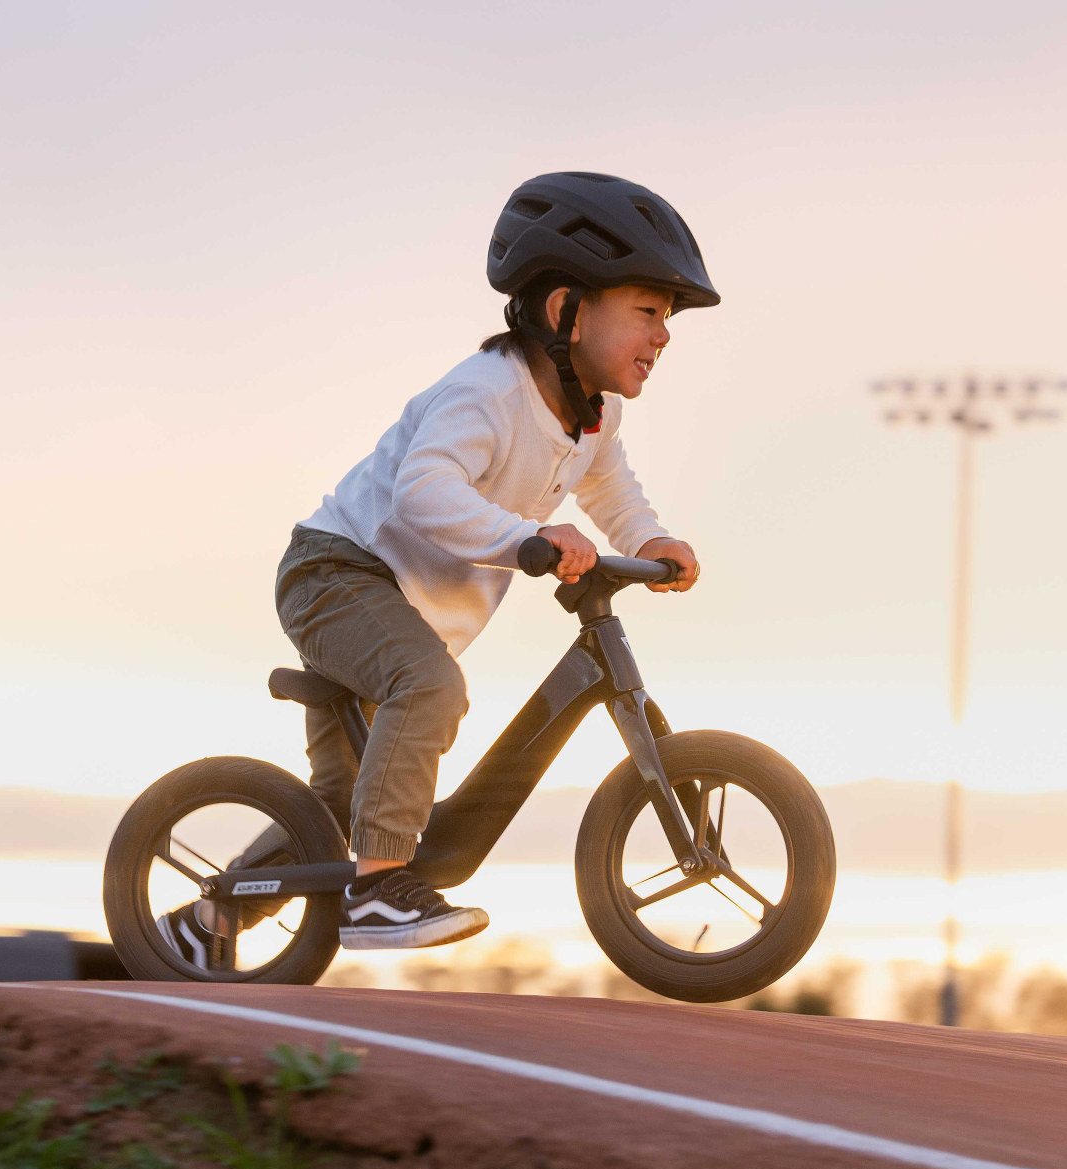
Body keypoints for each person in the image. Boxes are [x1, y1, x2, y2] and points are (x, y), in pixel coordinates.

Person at [164, 171, 717, 963]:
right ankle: (377, 893)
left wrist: (651, 539)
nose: (663, 335)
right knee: (429, 688)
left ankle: (201, 925)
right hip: (337, 574)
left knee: (339, 804)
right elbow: (424, 494)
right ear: (565, 308)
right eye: (648, 312)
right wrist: (526, 540)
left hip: (397, 603)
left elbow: (609, 485)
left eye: (667, 320)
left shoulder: (595, 415)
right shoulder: (487, 392)